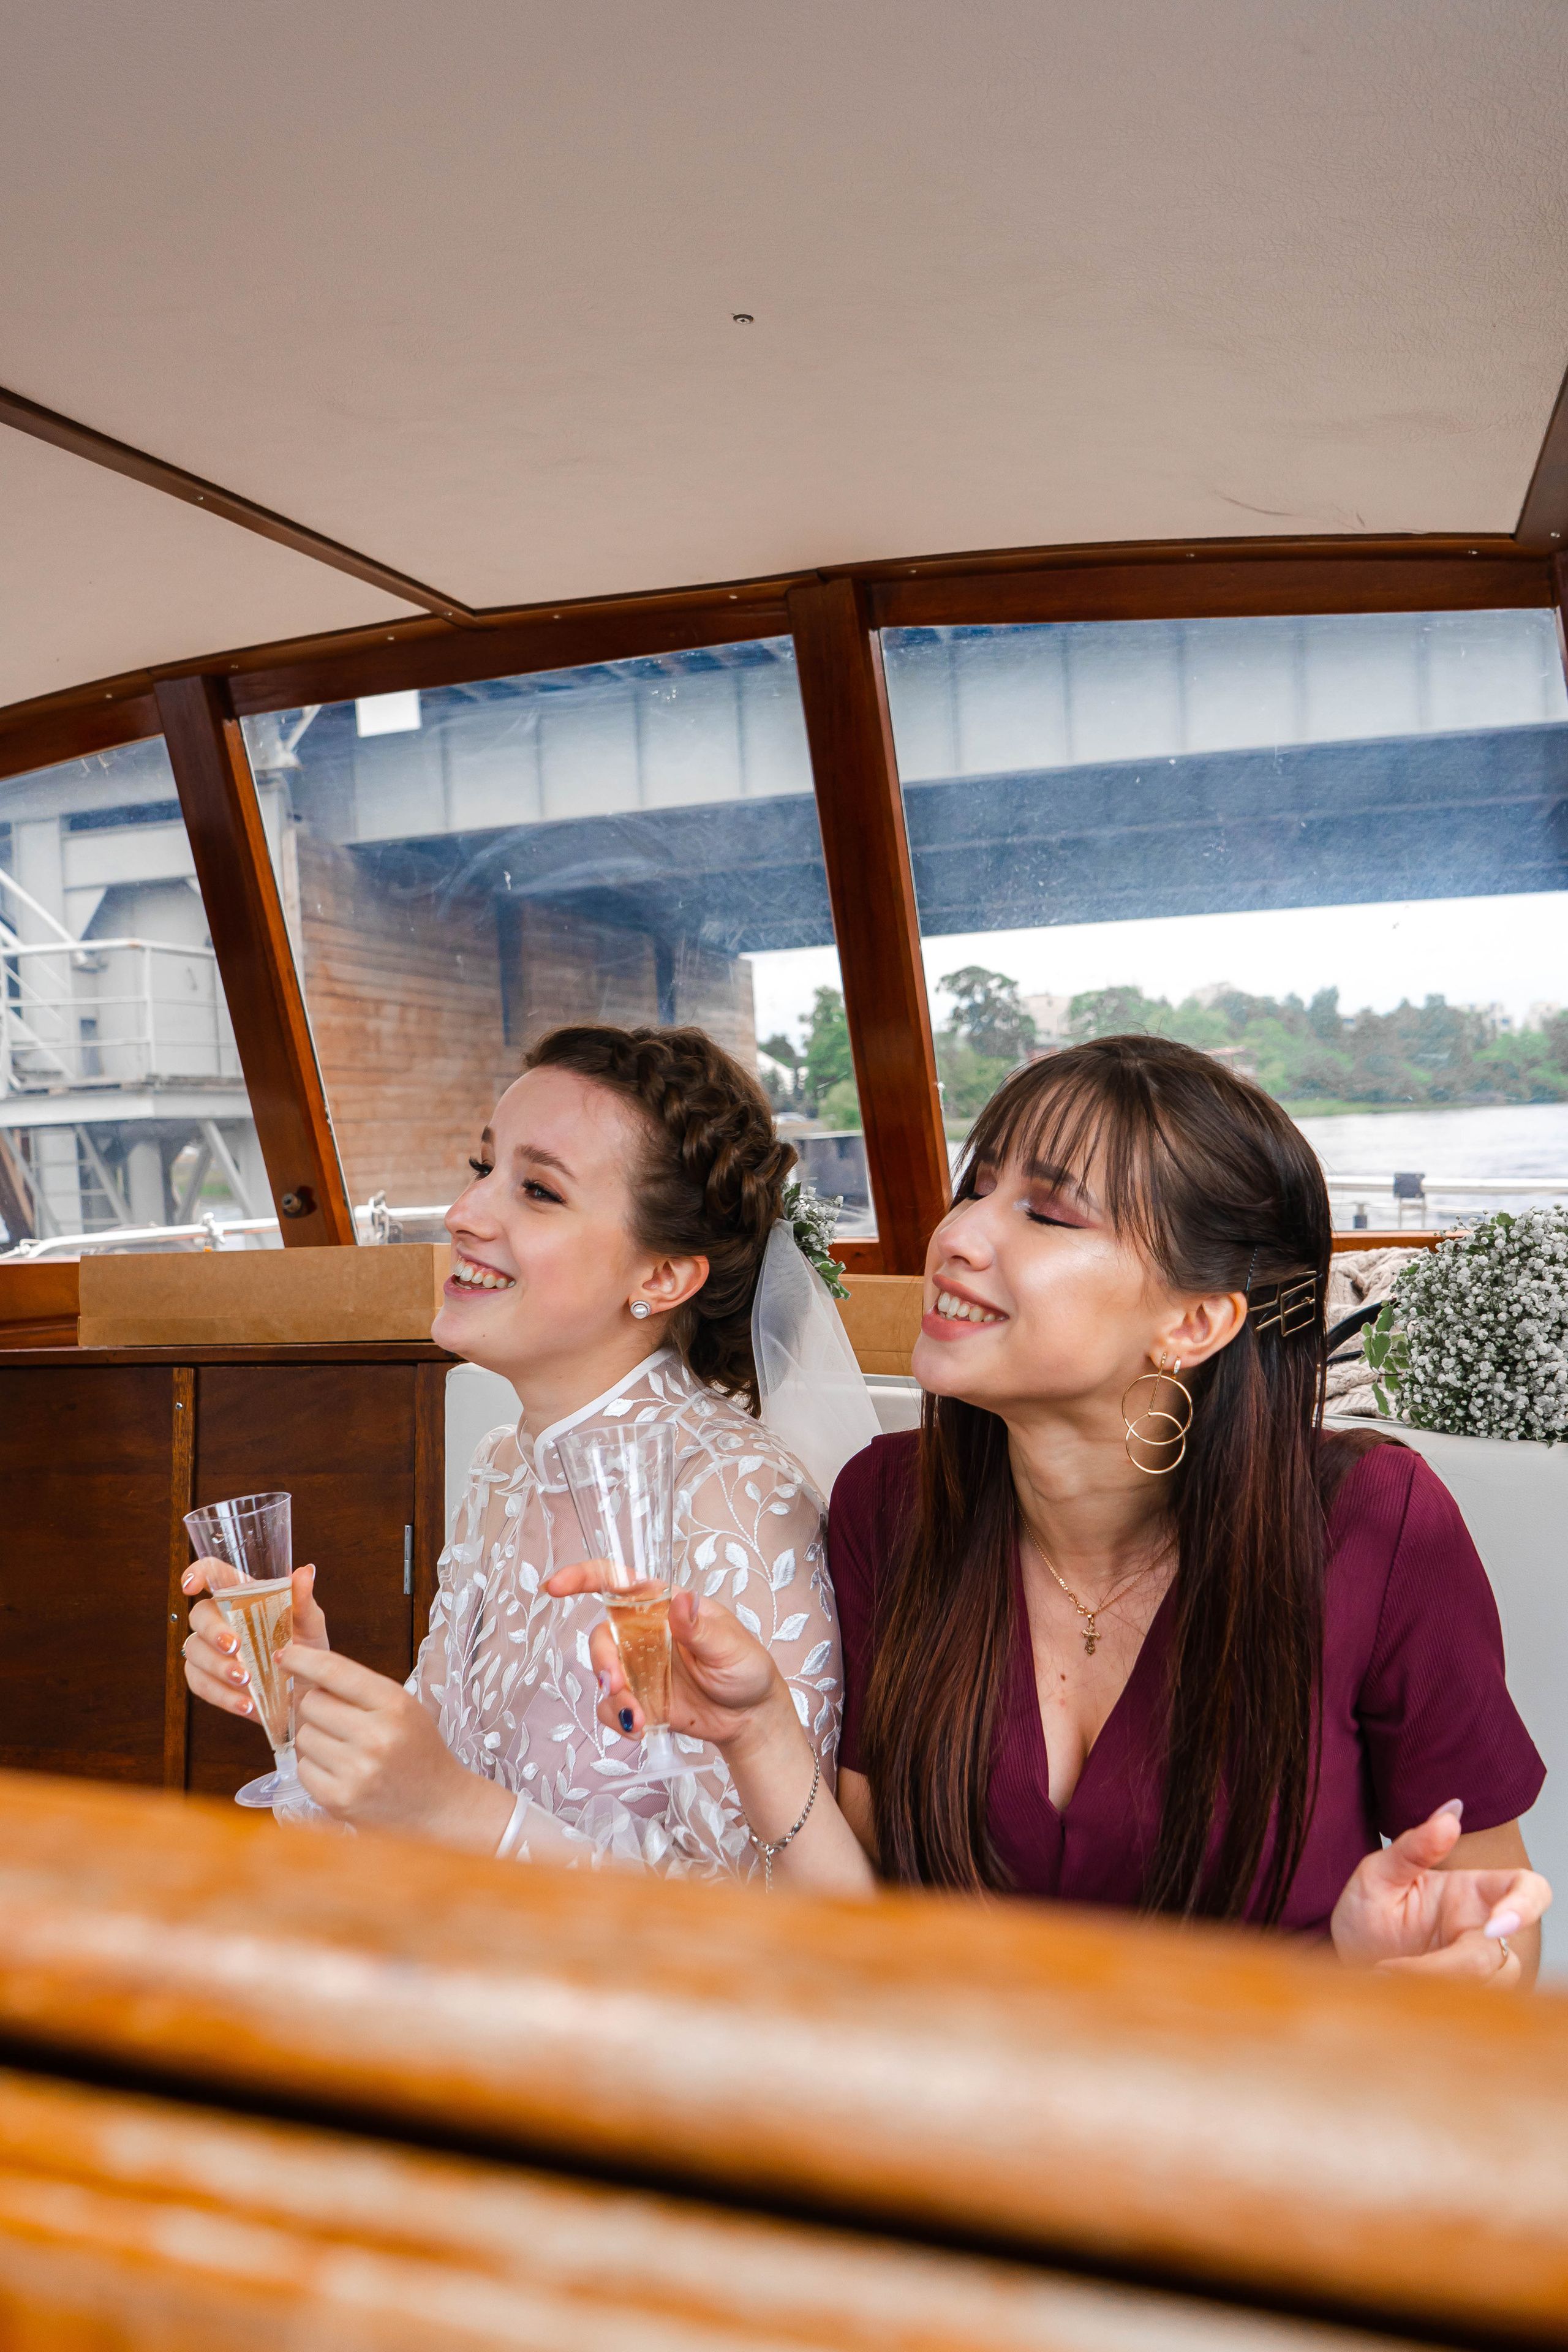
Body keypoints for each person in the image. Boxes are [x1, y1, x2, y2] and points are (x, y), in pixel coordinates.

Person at [584, 1036, 1552, 1981]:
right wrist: (757, 1729)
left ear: (1194, 1322)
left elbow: (1499, 1931)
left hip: (1272, 2079)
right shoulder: (888, 1503)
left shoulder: (1378, 1525)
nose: (957, 1236)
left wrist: (1387, 1970)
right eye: (976, 1189)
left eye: (1047, 1213)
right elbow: (871, 1924)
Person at [181, 1024, 845, 1877]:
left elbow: (759, 1913)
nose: (464, 1213)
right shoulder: (503, 1465)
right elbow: (421, 1794)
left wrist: (457, 1811)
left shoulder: (739, 1494)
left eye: (538, 1190)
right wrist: (304, 1696)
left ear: (662, 1278)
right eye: (482, 1168)